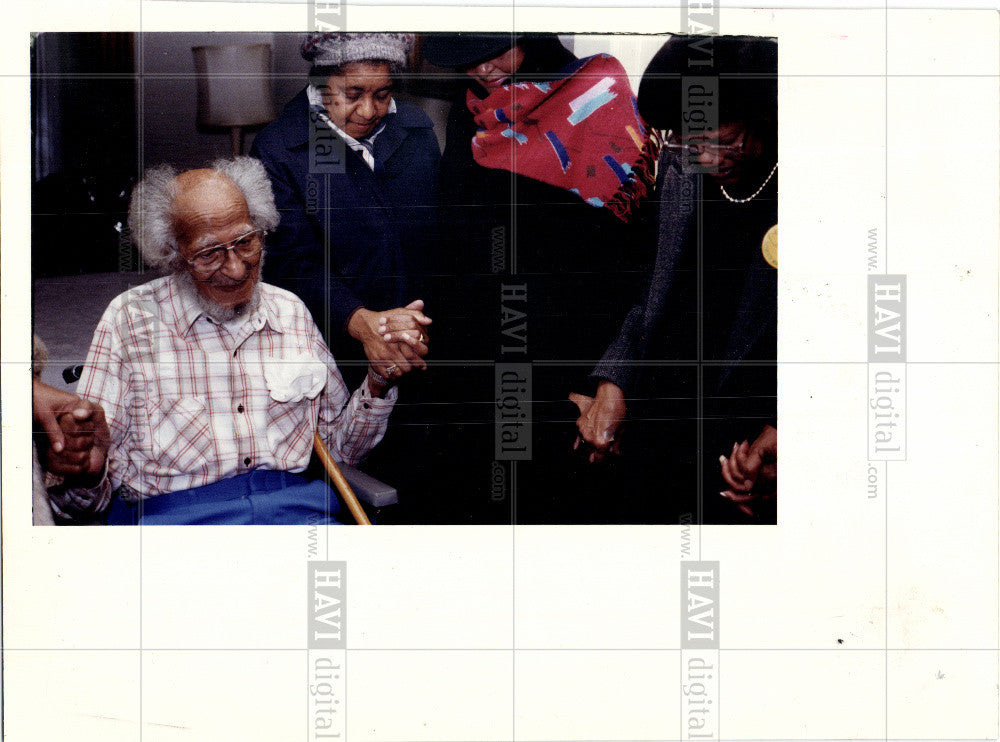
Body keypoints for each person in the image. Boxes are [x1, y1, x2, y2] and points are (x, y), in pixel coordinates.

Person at [44, 157, 403, 525]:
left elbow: (341, 452)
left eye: (246, 242)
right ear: (173, 254)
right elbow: (84, 500)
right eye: (209, 254)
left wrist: (378, 382)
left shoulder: (289, 312)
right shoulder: (131, 321)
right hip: (181, 533)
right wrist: (85, 472)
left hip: (297, 519)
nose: (235, 268)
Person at [422, 34, 660, 523]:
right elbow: (451, 244)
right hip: (479, 362)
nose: (481, 70)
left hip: (568, 370)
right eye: (465, 60)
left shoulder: (600, 94)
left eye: (494, 52)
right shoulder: (473, 111)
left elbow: (637, 264)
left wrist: (605, 383)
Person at [574, 35, 779, 523]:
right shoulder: (681, 162)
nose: (703, 159)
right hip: (663, 418)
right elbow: (652, 284)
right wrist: (615, 381)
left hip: (744, 440)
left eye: (719, 141)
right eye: (689, 142)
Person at [250, 32, 438, 384]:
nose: (369, 111)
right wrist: (357, 319)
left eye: (382, 95)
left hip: (421, 346)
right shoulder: (278, 150)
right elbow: (290, 264)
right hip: (337, 354)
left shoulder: (416, 129)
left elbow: (439, 242)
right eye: (352, 95)